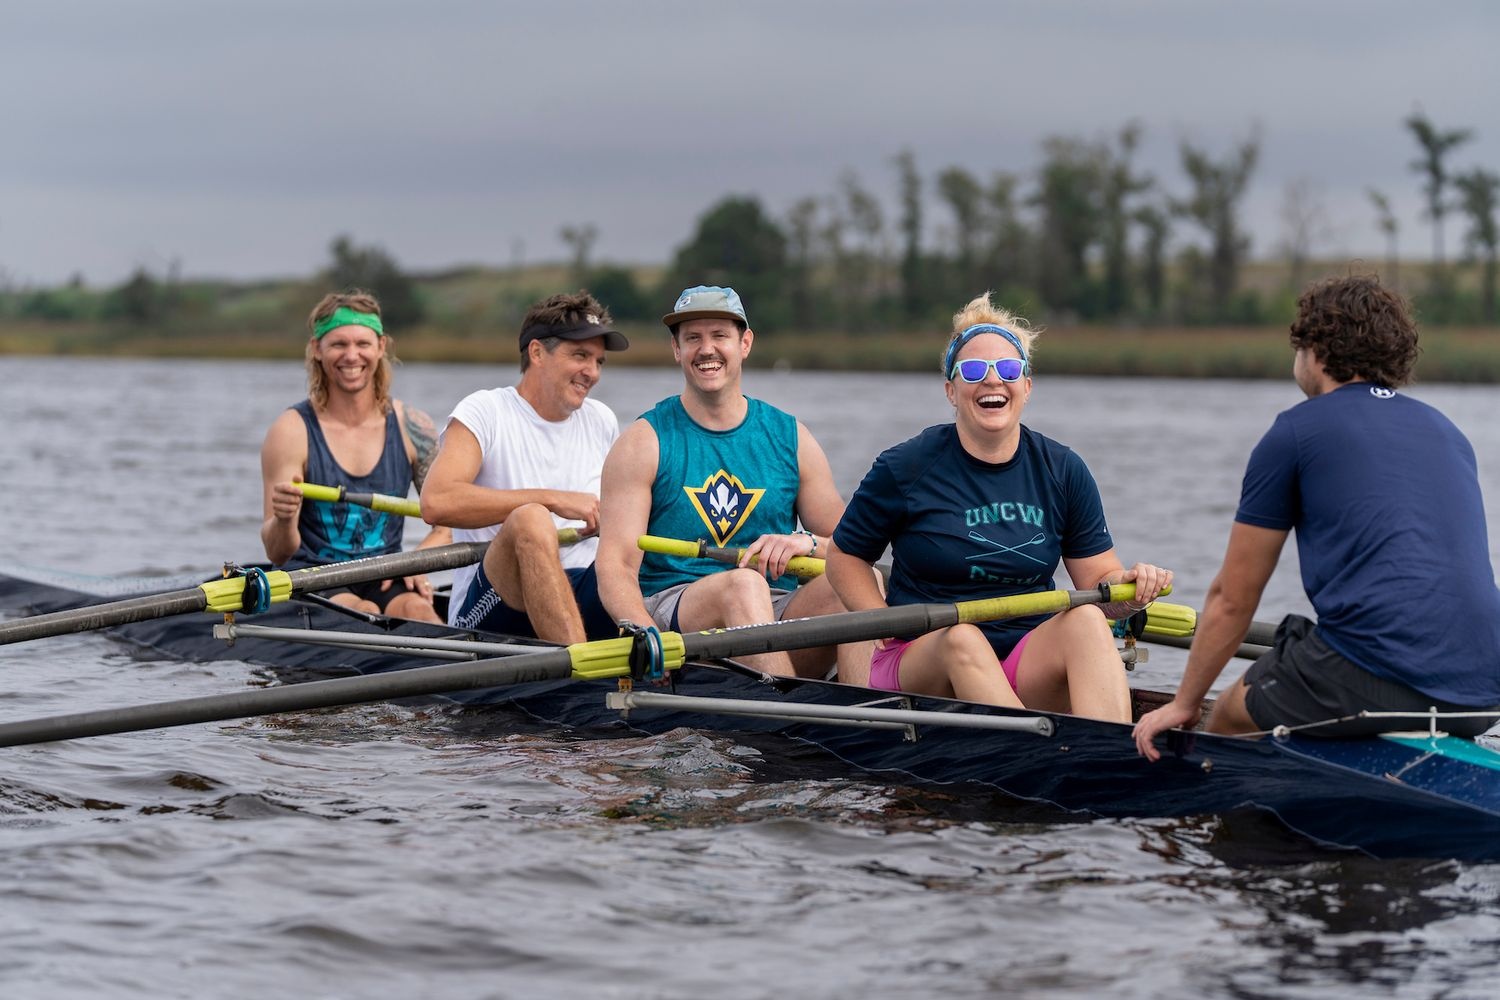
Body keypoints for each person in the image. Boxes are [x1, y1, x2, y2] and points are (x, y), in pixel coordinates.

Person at [1134, 275, 1500, 756]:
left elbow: (1232, 599)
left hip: (1377, 679)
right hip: (1483, 691)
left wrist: (1185, 702)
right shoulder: (1446, 430)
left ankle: (1229, 825)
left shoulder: (1295, 431)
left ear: (1316, 351)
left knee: (1223, 715)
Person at [824, 293, 1172, 721]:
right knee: (963, 639)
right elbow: (844, 556)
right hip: (923, 657)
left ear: (1026, 386)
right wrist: (880, 620)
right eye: (973, 371)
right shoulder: (905, 466)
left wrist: (1133, 588)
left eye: (1008, 369)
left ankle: (1111, 759)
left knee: (1085, 621)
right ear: (951, 390)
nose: (993, 381)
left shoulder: (1063, 469)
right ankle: (1031, 753)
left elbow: (1100, 581)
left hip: (1024, 659)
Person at [596, 285, 873, 680]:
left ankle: (865, 712)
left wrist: (807, 542)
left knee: (860, 580)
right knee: (744, 586)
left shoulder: (791, 437)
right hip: (678, 613)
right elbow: (616, 564)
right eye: (693, 338)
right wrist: (645, 633)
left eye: (719, 336)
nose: (706, 349)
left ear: (745, 343)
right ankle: (789, 709)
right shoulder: (642, 443)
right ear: (677, 350)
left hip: (777, 608)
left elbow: (852, 548)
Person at [419, 291, 628, 644]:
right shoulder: (485, 411)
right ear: (536, 353)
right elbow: (436, 501)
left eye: (599, 361)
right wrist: (552, 499)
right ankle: (581, 671)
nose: (592, 373)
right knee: (531, 518)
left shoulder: (602, 420)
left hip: (578, 588)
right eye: (580, 355)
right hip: (491, 608)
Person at [260, 290, 450, 623]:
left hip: (385, 572)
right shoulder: (291, 430)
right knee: (364, 612)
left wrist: (418, 561)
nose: (351, 356)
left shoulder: (413, 427)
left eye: (362, 344)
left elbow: (450, 520)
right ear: (317, 350)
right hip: (313, 578)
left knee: (420, 611)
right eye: (338, 344)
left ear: (381, 346)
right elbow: (277, 552)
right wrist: (285, 518)